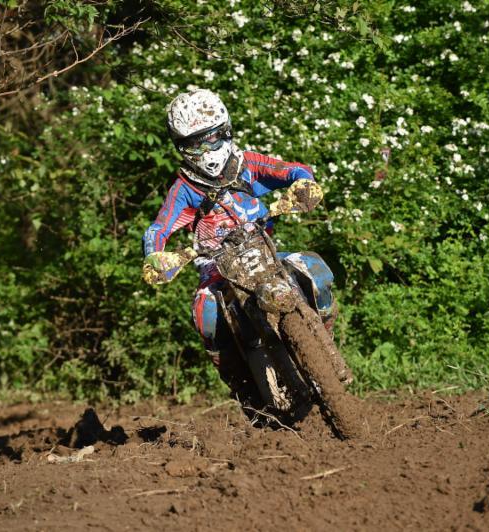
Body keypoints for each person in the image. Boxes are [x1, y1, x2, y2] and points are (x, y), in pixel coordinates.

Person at [141, 89, 346, 394]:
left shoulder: (246, 164)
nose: (206, 149)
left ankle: (326, 343)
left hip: (265, 253)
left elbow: (292, 170)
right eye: (194, 145)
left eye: (211, 138)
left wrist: (304, 183)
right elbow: (158, 229)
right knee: (205, 315)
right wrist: (155, 256)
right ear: (181, 147)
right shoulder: (184, 189)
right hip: (216, 269)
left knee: (315, 271)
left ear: (225, 131)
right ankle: (243, 389)